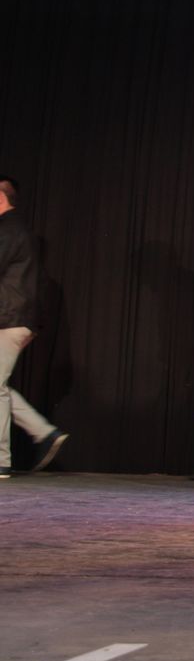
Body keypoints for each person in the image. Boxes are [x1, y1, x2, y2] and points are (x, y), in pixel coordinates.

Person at [0, 176, 67, 478]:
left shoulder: (8, 229)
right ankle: (44, 433)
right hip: (18, 319)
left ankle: (1, 458)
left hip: (9, 319)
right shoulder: (19, 230)